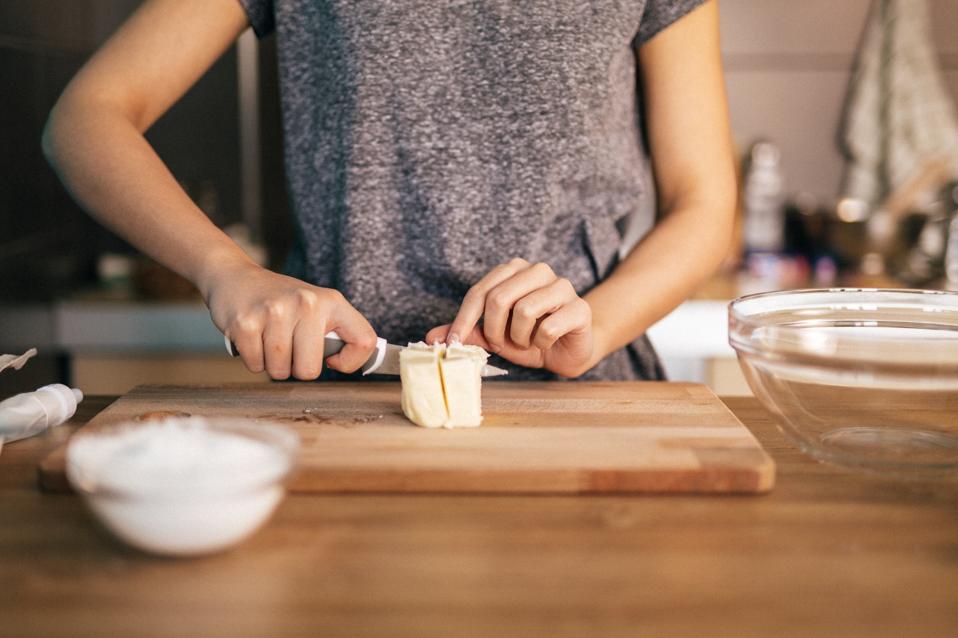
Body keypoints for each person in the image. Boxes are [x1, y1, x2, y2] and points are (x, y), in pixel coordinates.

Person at [43, 0, 735, 382]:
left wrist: (596, 327)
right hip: (341, 398)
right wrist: (226, 270)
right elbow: (86, 119)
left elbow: (705, 204)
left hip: (584, 396)